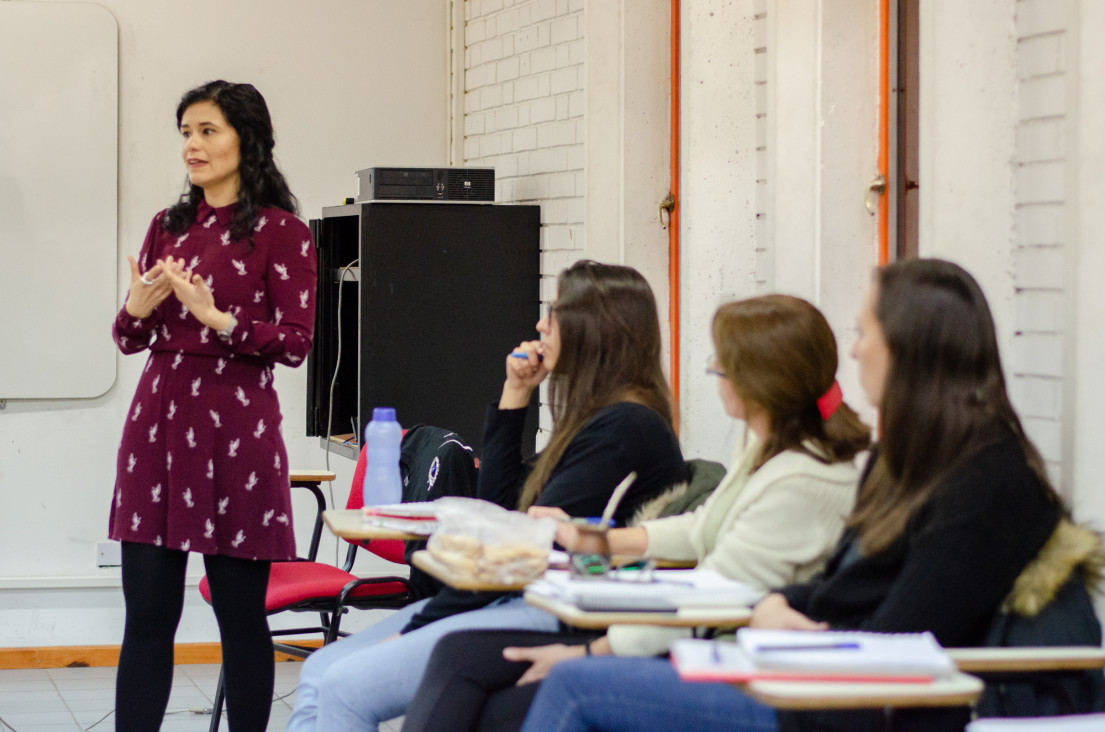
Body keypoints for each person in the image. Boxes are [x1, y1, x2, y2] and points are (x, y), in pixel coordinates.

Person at [514, 258, 1066, 732]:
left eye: (863, 333)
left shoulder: (983, 482)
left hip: (837, 706)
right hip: (808, 675)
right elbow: (843, 589)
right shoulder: (909, 462)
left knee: (575, 688)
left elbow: (901, 636)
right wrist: (781, 607)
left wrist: (791, 624)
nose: (853, 353)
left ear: (908, 350)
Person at [402, 294, 873, 732]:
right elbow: (702, 530)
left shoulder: (799, 478)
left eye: (721, 363)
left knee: (505, 699)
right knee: (458, 655)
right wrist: (603, 540)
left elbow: (716, 593)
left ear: (759, 380)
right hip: (690, 632)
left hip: (728, 655)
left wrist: (590, 653)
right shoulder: (767, 448)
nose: (711, 367)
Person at [287, 260, 686, 731]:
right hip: (512, 600)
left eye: (554, 312)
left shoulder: (627, 427)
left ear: (593, 330)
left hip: (550, 611)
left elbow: (515, 546)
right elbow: (500, 508)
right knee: (316, 672)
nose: (541, 324)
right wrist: (514, 392)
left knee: (344, 689)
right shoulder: (594, 422)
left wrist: (420, 625)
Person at [109, 80, 315, 732]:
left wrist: (218, 319)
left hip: (238, 430)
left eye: (207, 131)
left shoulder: (285, 234)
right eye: (186, 133)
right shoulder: (167, 228)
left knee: (239, 617)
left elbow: (296, 344)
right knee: (146, 617)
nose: (192, 146)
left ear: (245, 140)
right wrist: (137, 309)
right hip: (158, 422)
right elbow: (128, 338)